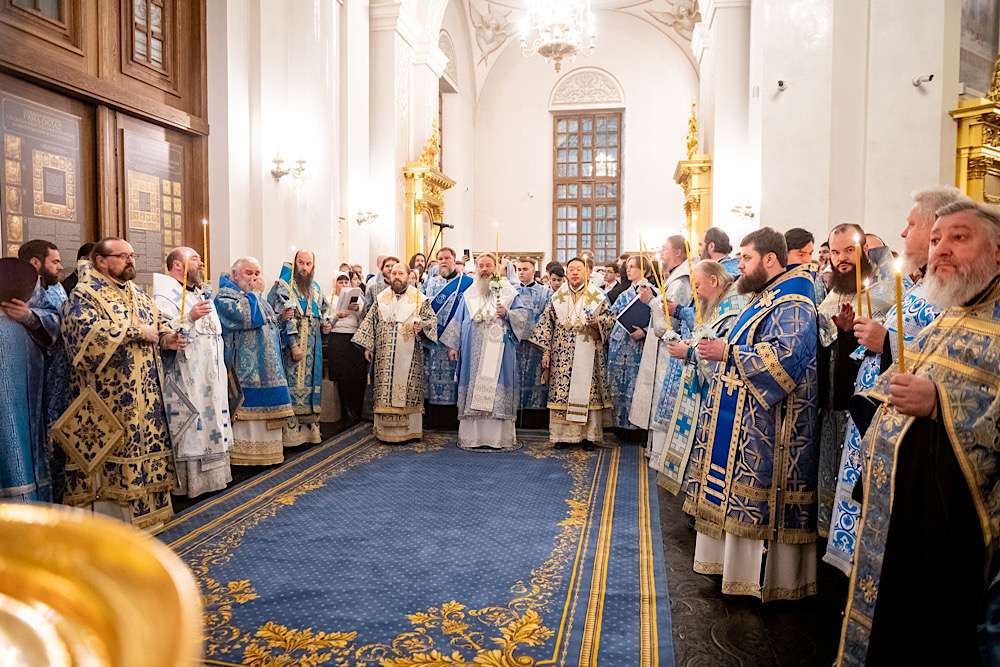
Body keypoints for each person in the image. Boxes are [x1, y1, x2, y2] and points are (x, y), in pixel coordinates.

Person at [837, 199, 1000, 665]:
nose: (941, 249)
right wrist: (875, 398)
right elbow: (902, 375)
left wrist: (939, 405)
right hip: (903, 513)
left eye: (959, 237)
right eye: (935, 239)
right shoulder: (952, 311)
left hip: (958, 532)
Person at [823, 186, 963, 576]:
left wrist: (885, 340)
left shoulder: (951, 293)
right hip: (874, 423)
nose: (902, 233)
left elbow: (948, 355)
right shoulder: (922, 287)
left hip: (908, 431)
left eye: (911, 225)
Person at [686, 227, 819, 601]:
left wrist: (728, 352)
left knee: (759, 499)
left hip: (773, 429)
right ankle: (736, 572)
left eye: (745, 258)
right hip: (747, 420)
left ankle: (763, 580)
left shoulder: (793, 302)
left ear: (770, 260)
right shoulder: (767, 296)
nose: (739, 266)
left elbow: (785, 361)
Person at [58, 238, 186, 529]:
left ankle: (149, 517)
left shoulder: (137, 292)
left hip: (145, 397)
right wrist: (136, 332)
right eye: (123, 256)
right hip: (108, 397)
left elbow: (157, 323)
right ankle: (112, 524)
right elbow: (83, 337)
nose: (131, 261)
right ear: (101, 261)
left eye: (132, 255)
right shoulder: (85, 294)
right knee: (114, 450)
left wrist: (168, 338)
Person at [816, 224, 893, 537]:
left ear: (863, 250)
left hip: (861, 409)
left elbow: (881, 348)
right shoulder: (829, 294)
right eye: (835, 252)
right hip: (829, 408)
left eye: (849, 250)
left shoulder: (882, 294)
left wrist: (851, 334)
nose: (841, 258)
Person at [650, 260, 747, 495]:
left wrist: (689, 352)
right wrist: (689, 346)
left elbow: (725, 357)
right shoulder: (718, 302)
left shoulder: (732, 309)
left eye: (698, 285)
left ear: (714, 281)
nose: (697, 292)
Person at [153, 247, 233, 497]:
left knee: (212, 417)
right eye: (195, 259)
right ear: (178, 264)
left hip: (210, 371)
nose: (201, 263)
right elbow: (163, 332)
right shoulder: (163, 295)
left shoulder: (199, 292)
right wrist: (189, 317)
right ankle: (191, 484)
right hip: (187, 373)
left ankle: (215, 479)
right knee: (193, 422)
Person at [441, 254, 529, 450]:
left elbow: (523, 318)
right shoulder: (469, 293)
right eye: (481, 265)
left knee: (497, 385)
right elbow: (458, 319)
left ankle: (499, 438)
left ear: (496, 268)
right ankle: (473, 438)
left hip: (500, 351)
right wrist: (453, 345)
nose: (484, 269)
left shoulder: (508, 292)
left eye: (488, 265)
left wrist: (507, 314)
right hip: (473, 352)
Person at [1, 240, 66, 503]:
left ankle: (31, 501)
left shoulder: (48, 289)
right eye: (56, 261)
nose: (60, 267)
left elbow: (59, 324)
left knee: (21, 433)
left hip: (30, 376)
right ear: (37, 262)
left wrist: (29, 316)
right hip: (12, 368)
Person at [215, 257, 294, 466]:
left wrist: (281, 319)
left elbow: (268, 325)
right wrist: (254, 293)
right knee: (248, 412)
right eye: (248, 273)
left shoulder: (255, 297)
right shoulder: (225, 298)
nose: (254, 278)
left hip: (268, 367)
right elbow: (250, 319)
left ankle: (270, 453)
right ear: (235, 275)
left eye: (257, 273)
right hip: (245, 369)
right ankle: (246, 456)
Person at [530, 257, 614, 450]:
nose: (575, 272)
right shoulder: (557, 297)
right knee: (563, 393)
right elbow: (546, 325)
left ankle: (588, 436)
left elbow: (610, 319)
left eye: (579, 269)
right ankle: (562, 436)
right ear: (567, 273)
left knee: (588, 393)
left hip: (588, 351)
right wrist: (546, 353)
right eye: (572, 269)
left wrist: (598, 323)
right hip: (561, 355)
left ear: (587, 273)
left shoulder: (597, 296)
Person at [352, 262, 437, 443]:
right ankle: (384, 431)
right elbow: (369, 323)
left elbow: (431, 322)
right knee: (383, 389)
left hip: (410, 355)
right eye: (394, 273)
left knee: (408, 389)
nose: (397, 276)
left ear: (408, 276)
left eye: (401, 273)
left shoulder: (419, 299)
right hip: (384, 355)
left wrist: (421, 326)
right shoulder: (381, 298)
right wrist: (368, 346)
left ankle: (410, 431)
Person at [267, 250, 331, 447]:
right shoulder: (283, 287)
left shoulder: (317, 288)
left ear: (313, 266)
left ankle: (310, 433)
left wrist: (326, 324)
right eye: (300, 263)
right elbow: (275, 315)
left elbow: (324, 310)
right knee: (291, 385)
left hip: (313, 345)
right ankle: (290, 436)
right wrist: (293, 346)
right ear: (294, 264)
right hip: (290, 348)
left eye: (308, 263)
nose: (304, 267)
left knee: (311, 386)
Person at [423, 247, 474, 428]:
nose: (443, 261)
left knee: (454, 378)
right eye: (440, 258)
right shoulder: (430, 283)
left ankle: (453, 419)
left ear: (454, 260)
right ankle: (434, 419)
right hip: (434, 340)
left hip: (456, 340)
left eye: (447, 258)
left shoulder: (468, 283)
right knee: (433, 377)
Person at [607, 255, 657, 437]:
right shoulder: (624, 293)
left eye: (633, 267)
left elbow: (660, 319)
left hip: (640, 347)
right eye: (627, 267)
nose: (628, 270)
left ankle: (637, 428)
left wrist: (644, 330)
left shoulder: (654, 294)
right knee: (617, 383)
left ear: (645, 271)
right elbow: (612, 316)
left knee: (637, 385)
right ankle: (619, 426)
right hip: (620, 345)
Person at [513, 258, 553, 428]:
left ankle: (534, 419)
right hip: (515, 344)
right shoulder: (510, 290)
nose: (521, 272)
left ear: (533, 271)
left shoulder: (545, 292)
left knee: (536, 380)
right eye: (519, 269)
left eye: (525, 269)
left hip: (536, 345)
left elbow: (549, 317)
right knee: (515, 378)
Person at [327, 272, 367, 423]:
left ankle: (356, 409)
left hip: (354, 338)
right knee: (343, 376)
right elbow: (326, 321)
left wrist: (357, 309)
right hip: (338, 338)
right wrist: (337, 315)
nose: (343, 285)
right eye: (340, 282)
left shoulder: (358, 298)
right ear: (335, 284)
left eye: (346, 282)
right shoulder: (330, 299)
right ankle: (345, 411)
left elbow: (364, 317)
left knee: (357, 375)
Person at [785, 227, 827, 303]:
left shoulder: (814, 280)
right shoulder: (776, 281)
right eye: (801, 254)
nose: (807, 260)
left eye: (810, 253)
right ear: (785, 253)